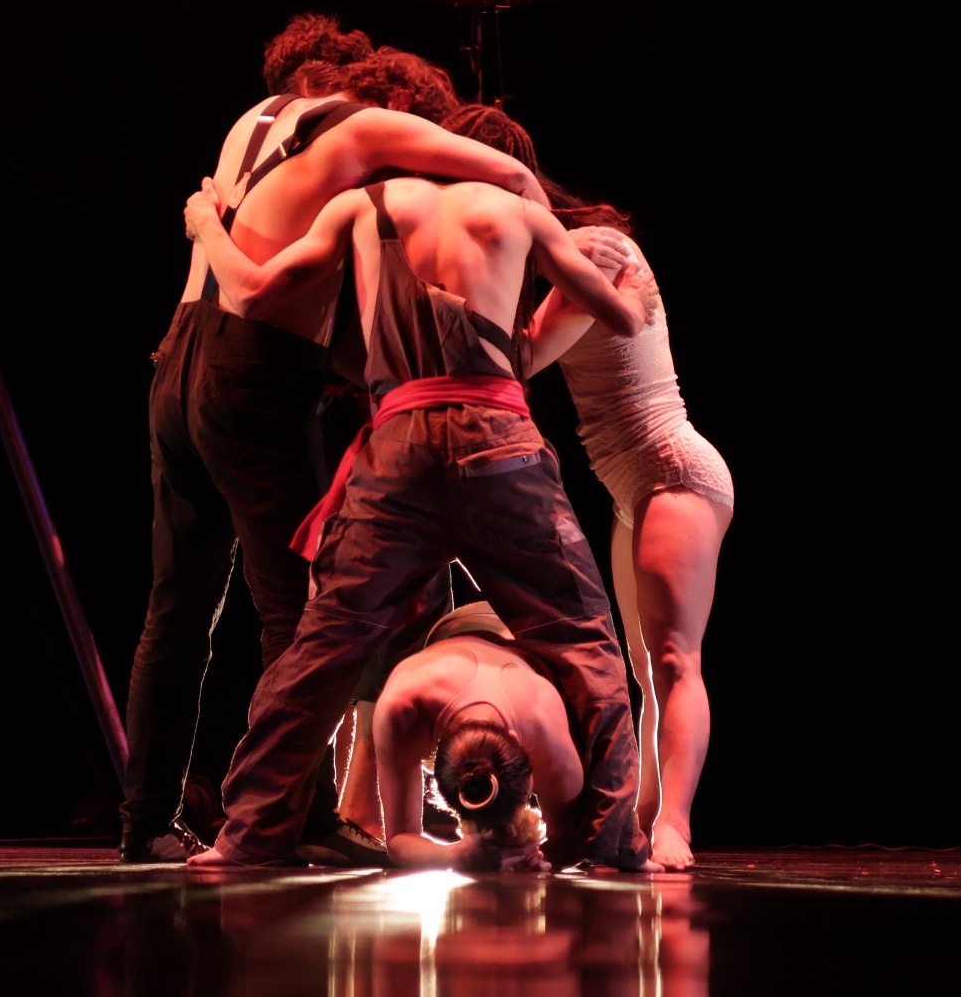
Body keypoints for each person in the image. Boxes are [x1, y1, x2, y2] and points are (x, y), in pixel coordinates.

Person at [118, 15, 548, 864]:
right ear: (391, 98)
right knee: (298, 613)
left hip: (177, 362)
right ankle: (295, 819)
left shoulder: (251, 121)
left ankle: (146, 823)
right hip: (252, 374)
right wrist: (524, 276)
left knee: (176, 611)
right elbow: (506, 170)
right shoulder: (364, 123)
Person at [178, 143, 661, 872]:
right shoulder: (518, 211)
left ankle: (248, 838)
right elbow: (622, 318)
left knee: (321, 651)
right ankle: (609, 844)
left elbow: (248, 293)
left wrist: (206, 225)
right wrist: (599, 273)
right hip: (500, 449)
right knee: (584, 643)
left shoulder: (362, 206)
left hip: (398, 452)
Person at [443, 105, 735, 871]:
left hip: (671, 468)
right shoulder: (560, 253)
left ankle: (676, 825)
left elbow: (523, 357)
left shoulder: (594, 250)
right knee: (641, 666)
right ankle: (643, 815)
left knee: (674, 659)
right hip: (634, 485)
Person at [370, 601, 581, 871]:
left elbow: (569, 842)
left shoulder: (546, 728)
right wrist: (453, 856)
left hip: (528, 627)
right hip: (457, 628)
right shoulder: (402, 705)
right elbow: (398, 840)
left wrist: (531, 858)